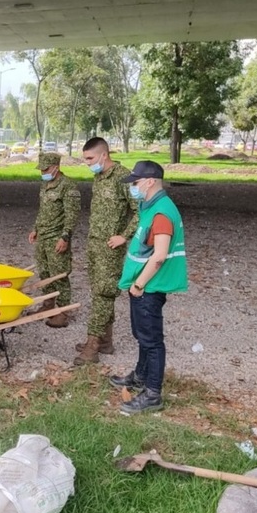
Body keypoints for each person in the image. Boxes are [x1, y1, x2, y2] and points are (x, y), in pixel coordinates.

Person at [111, 161, 188, 413]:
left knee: (152, 341)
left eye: (136, 182)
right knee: (142, 335)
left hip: (148, 287)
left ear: (150, 181)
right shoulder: (151, 206)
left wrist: (139, 284)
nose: (133, 187)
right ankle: (140, 376)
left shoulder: (162, 213)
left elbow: (159, 255)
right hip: (143, 286)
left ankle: (153, 394)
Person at [74, 137, 139, 366]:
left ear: (104, 155)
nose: (87, 163)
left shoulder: (124, 177)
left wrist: (125, 236)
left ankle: (92, 346)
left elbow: (140, 210)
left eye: (90, 158)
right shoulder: (99, 177)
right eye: (85, 159)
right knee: (98, 292)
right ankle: (105, 341)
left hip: (111, 248)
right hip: (95, 244)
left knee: (104, 293)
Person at [28, 152, 81, 328]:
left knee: (59, 274)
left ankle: (63, 311)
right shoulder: (45, 184)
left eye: (46, 169)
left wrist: (65, 237)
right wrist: (35, 228)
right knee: (44, 272)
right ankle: (48, 303)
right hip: (43, 236)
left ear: (56, 168)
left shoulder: (68, 186)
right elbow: (43, 210)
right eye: (41, 169)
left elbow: (72, 215)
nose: (42, 172)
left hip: (57, 237)